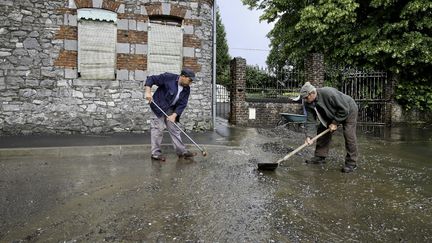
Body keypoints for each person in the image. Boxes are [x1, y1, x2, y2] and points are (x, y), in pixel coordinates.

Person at [300, 82, 359, 173]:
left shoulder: (329, 93)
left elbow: (344, 109)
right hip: (332, 113)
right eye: (304, 98)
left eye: (306, 97)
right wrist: (309, 136)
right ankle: (320, 156)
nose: (305, 100)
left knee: (349, 135)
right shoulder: (308, 102)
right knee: (322, 129)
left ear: (312, 93)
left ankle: (351, 163)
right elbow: (311, 121)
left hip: (349, 110)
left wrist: (335, 123)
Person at [144, 68, 197, 161]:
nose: (191, 83)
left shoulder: (186, 89)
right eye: (190, 80)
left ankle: (182, 152)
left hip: (170, 109)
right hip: (158, 106)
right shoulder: (168, 77)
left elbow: (182, 104)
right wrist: (148, 92)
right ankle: (155, 153)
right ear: (183, 76)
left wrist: (174, 115)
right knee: (158, 129)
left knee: (175, 129)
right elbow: (151, 79)